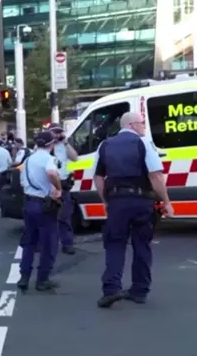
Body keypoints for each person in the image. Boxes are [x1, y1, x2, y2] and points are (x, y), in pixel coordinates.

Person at [93, 112, 173, 308]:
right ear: (131, 124)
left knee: (114, 244)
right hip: (141, 202)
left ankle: (111, 289)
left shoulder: (105, 146)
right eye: (142, 123)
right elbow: (155, 176)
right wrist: (167, 201)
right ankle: (139, 290)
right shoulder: (143, 143)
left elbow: (98, 178)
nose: (144, 127)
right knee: (142, 245)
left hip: (117, 202)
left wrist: (105, 201)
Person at [17, 131, 63, 292]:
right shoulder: (49, 159)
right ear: (51, 145)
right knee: (48, 243)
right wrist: (58, 187)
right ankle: (42, 280)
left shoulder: (28, 160)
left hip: (29, 203)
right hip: (44, 205)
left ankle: (24, 276)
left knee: (29, 242)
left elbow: (22, 182)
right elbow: (51, 172)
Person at [48, 123, 79, 255]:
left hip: (63, 183)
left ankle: (67, 244)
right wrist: (51, 141)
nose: (58, 134)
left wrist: (65, 143)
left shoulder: (65, 146)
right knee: (47, 216)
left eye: (59, 132)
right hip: (49, 184)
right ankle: (46, 244)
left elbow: (75, 158)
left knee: (65, 216)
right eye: (55, 132)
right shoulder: (46, 145)